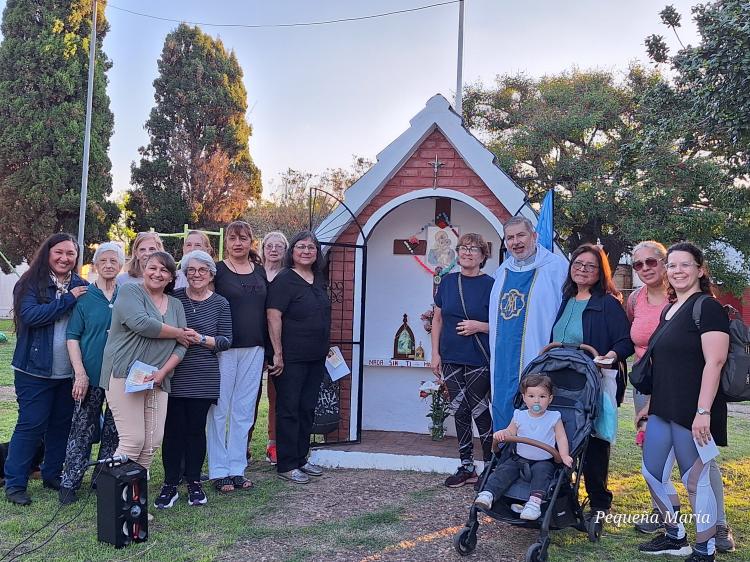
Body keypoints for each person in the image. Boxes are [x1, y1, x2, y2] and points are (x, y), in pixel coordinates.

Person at [628, 242, 734, 552]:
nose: (677, 270)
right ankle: (675, 535)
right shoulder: (669, 309)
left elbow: (715, 362)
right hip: (663, 406)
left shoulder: (708, 307)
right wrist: (648, 404)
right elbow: (663, 362)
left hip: (693, 408)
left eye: (685, 265)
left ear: (700, 270)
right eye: (672, 265)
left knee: (695, 481)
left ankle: (704, 549)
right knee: (652, 471)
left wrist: (703, 412)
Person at [550, 244, 633, 518]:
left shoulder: (608, 303)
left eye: (590, 266)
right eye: (578, 263)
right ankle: (560, 495)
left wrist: (610, 355)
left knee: (594, 440)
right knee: (562, 437)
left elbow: (625, 341)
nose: (582, 269)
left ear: (600, 273)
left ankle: (599, 502)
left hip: (593, 379)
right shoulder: (565, 299)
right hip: (562, 381)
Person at [4, 234, 88, 506]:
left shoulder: (81, 285)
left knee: (61, 426)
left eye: (71, 254)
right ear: (48, 253)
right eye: (59, 252)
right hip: (34, 371)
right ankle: (15, 482)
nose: (65, 258)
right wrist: (67, 300)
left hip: (68, 373)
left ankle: (53, 474)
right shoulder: (30, 283)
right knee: (31, 425)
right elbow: (31, 316)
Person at [102, 252, 192, 473]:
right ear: (144, 269)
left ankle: (134, 503)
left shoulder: (176, 305)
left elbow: (183, 344)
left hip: (158, 379)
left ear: (172, 277)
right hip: (124, 374)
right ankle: (113, 502)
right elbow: (141, 323)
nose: (157, 274)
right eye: (153, 268)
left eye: (164, 270)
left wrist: (163, 372)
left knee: (151, 444)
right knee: (132, 441)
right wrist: (178, 332)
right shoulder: (129, 291)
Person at [156, 250, 232, 508]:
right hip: (174, 373)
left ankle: (194, 483)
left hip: (204, 376)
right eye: (191, 270)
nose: (196, 274)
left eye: (202, 270)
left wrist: (200, 339)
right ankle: (169, 484)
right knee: (173, 431)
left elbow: (225, 341)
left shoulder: (221, 303)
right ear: (184, 274)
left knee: (195, 431)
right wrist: (178, 335)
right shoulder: (173, 298)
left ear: (211, 275)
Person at [59, 242, 124, 504]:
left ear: (121, 266)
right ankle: (70, 482)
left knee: (114, 430)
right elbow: (72, 336)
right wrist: (80, 374)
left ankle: (103, 478)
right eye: (103, 261)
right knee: (81, 429)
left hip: (119, 376)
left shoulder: (127, 295)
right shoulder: (85, 296)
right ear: (95, 265)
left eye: (114, 261)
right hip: (89, 374)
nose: (108, 265)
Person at [489, 216, 568, 431]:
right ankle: (505, 458)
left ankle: (536, 456)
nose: (516, 242)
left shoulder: (556, 267)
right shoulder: (502, 272)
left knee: (536, 401)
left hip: (539, 352)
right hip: (503, 358)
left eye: (521, 235)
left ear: (534, 236)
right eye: (510, 238)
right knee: (503, 399)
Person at [430, 233, 494, 488]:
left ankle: (490, 466)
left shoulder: (492, 284)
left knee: (479, 409)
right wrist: (435, 354)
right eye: (463, 248)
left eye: (474, 248)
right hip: (451, 356)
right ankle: (466, 466)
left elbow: (502, 324)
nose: (467, 252)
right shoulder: (447, 282)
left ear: (482, 255)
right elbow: (438, 319)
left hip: (478, 357)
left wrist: (479, 326)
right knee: (459, 410)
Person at [267, 230, 331, 484]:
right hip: (290, 357)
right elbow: (273, 316)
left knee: (307, 408)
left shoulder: (318, 278)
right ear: (292, 252)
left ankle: (301, 458)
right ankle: (286, 463)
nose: (306, 251)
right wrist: (278, 353)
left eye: (311, 247)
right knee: (289, 409)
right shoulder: (284, 280)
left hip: (315, 356)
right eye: (301, 247)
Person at [207, 221, 266, 492]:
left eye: (243, 238)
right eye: (233, 238)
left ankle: (237, 467)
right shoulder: (216, 271)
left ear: (251, 241)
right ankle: (218, 470)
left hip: (254, 348)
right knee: (220, 410)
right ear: (226, 242)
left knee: (243, 412)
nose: (238, 243)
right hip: (224, 349)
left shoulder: (260, 272)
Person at [474, 374, 573, 520]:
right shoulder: (519, 415)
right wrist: (503, 433)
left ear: (550, 399)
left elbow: (561, 437)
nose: (536, 400)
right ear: (524, 398)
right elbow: (510, 432)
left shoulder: (554, 417)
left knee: (543, 474)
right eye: (532, 396)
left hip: (543, 460)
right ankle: (489, 494)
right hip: (519, 458)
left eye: (542, 396)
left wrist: (564, 455)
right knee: (504, 470)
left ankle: (534, 504)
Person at [247, 231, 289, 466]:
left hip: (278, 344)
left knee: (276, 396)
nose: (273, 250)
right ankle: (243, 444)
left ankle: (273, 444)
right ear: (262, 250)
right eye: (269, 246)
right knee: (250, 397)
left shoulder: (289, 276)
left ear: (285, 250)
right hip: (254, 341)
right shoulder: (255, 274)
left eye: (278, 246)